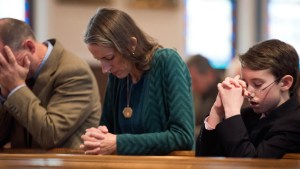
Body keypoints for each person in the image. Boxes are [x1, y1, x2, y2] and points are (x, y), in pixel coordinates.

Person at [80, 8, 194, 155]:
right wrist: (97, 138)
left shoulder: (167, 61)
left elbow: (183, 137)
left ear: (131, 44)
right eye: (99, 60)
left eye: (108, 58)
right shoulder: (117, 76)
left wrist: (119, 143)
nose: (104, 69)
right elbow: (108, 132)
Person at [0, 18, 101, 149]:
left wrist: (17, 87)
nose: (4, 70)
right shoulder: (13, 76)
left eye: (5, 61)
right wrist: (5, 95)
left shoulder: (74, 72)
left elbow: (51, 135)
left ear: (30, 47)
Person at [196, 39, 300, 158]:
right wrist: (217, 110)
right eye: (245, 83)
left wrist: (232, 111)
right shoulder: (248, 115)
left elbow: (250, 163)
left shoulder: (295, 122)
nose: (248, 92)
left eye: (257, 84)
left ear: (285, 83)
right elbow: (204, 158)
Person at [186, 54, 220, 137]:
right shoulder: (200, 95)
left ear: (209, 74)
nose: (193, 88)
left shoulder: (223, 95)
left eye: (195, 81)